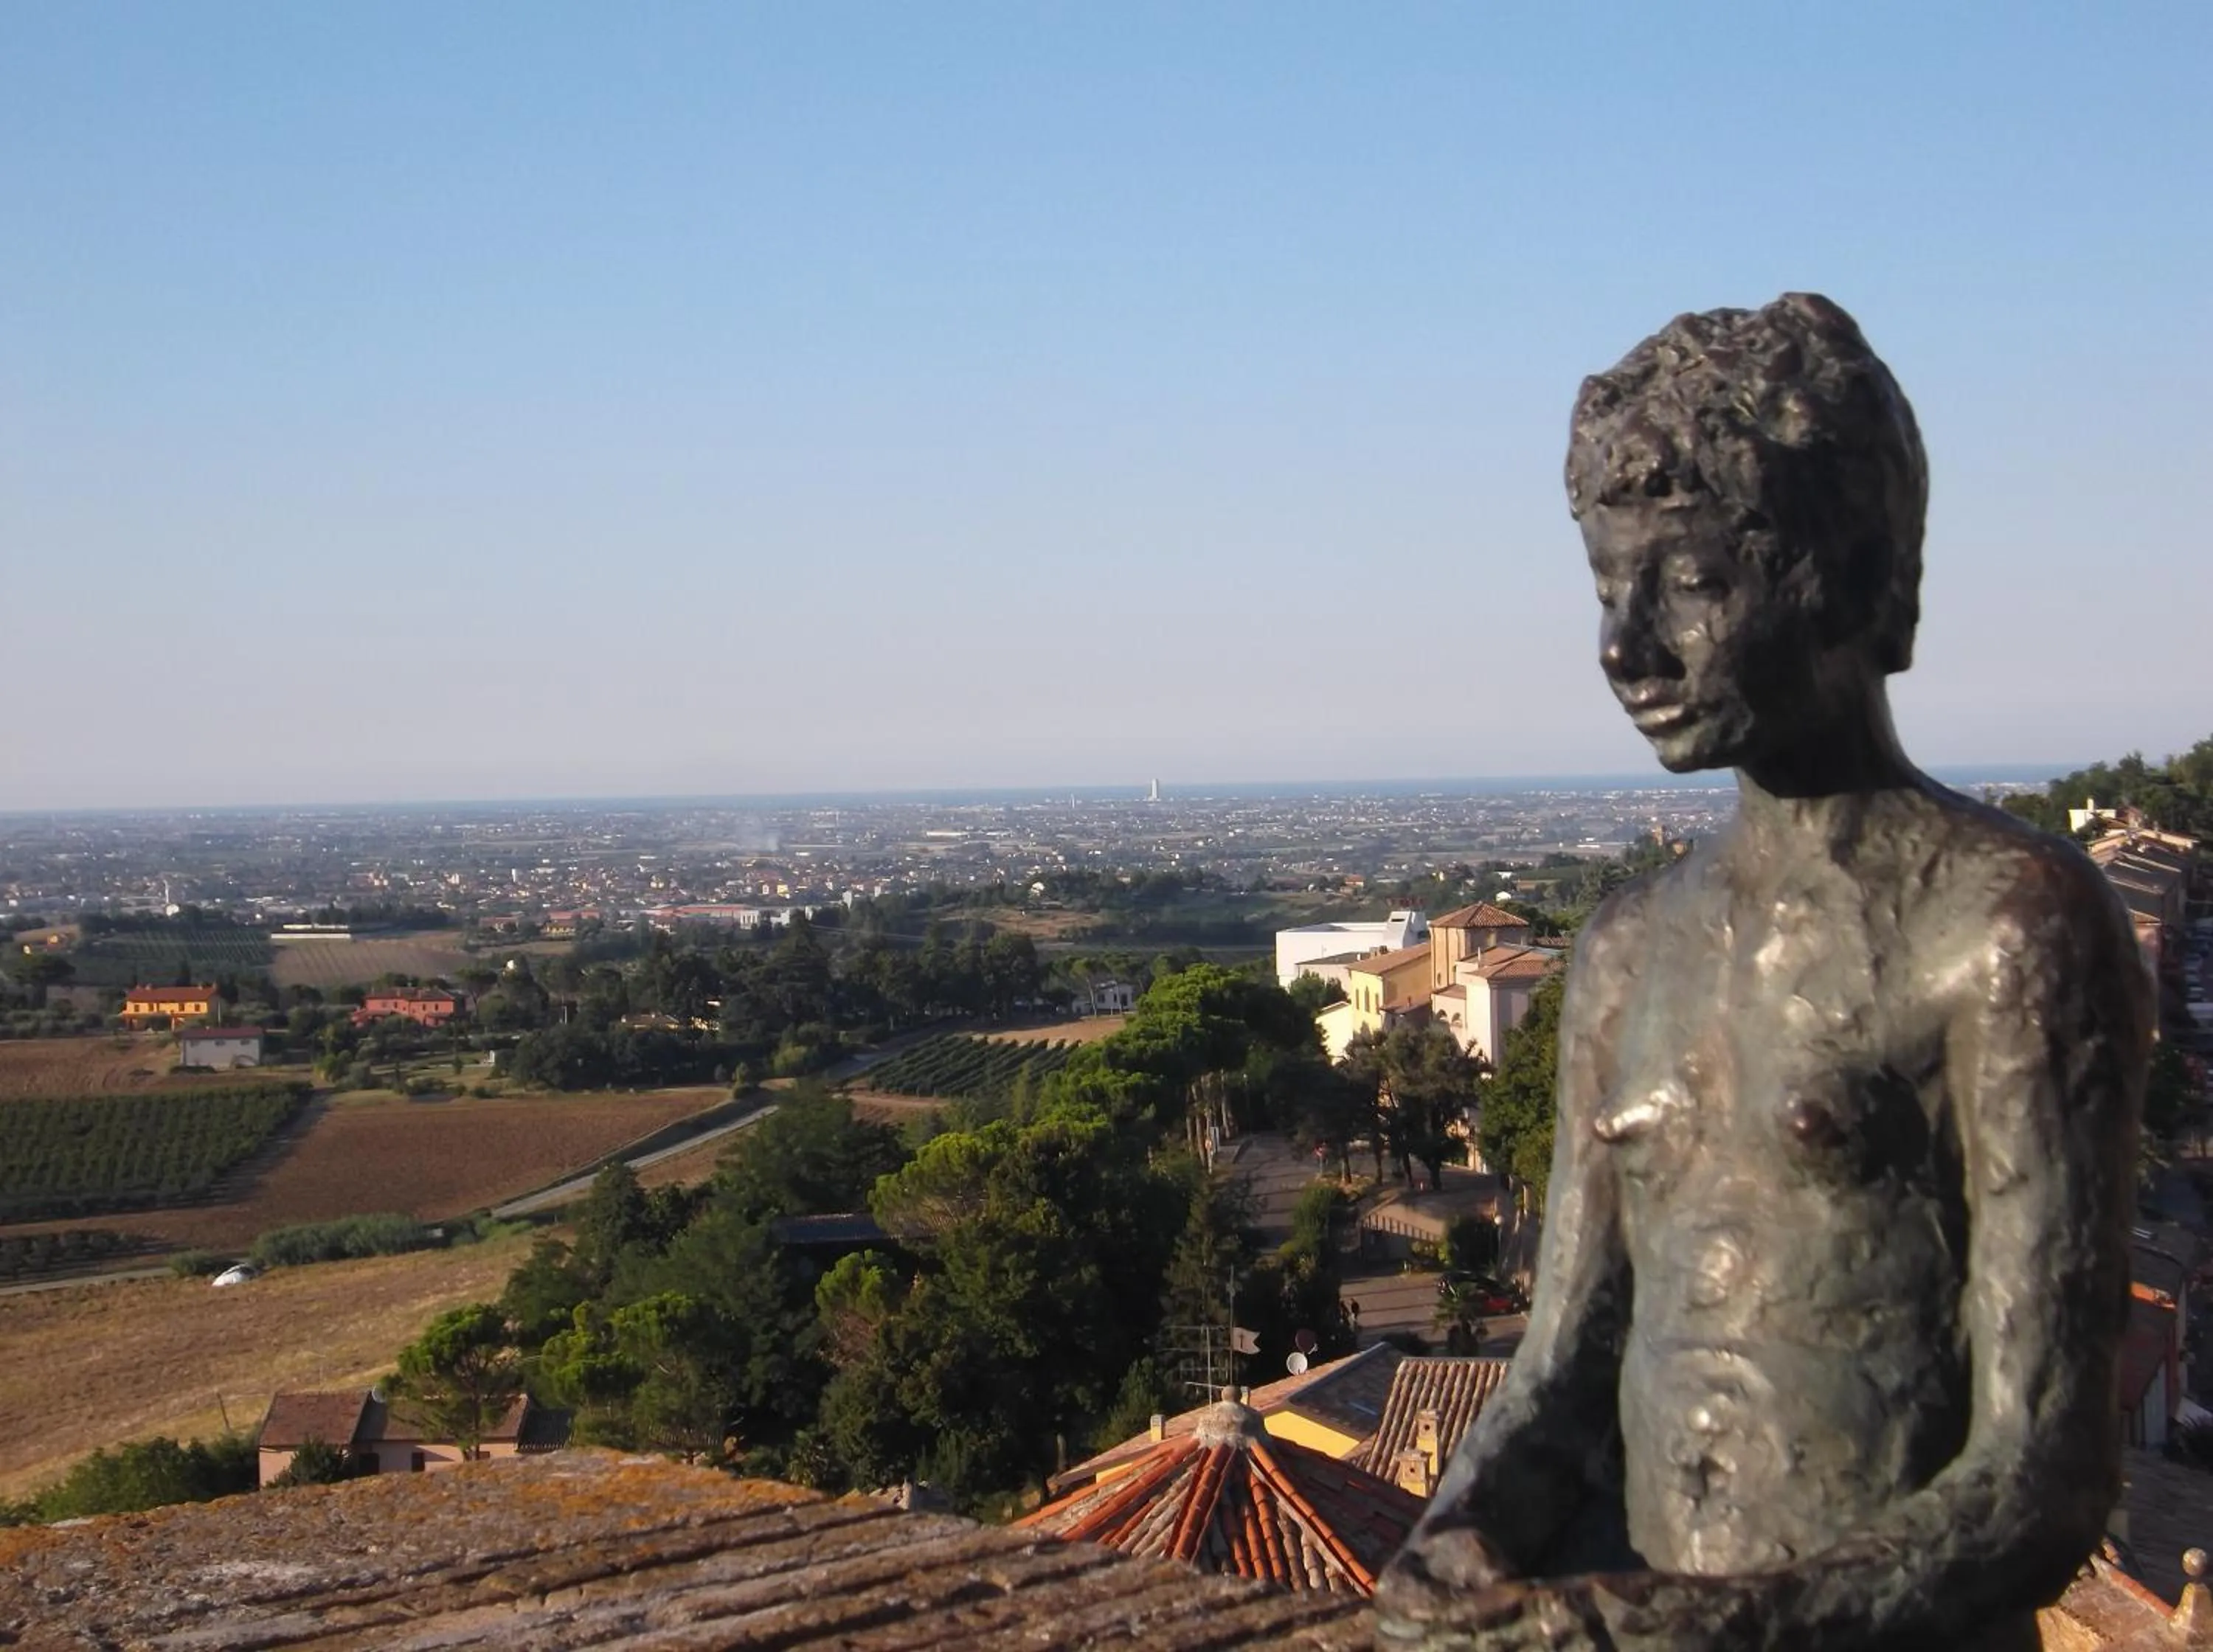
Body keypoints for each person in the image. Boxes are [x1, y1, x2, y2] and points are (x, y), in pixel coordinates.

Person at [1376, 294, 2151, 1651]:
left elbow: (2041, 1476)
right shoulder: (1623, 955)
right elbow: (1561, 1366)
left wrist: (1699, 1630)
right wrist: (1458, 1536)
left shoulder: (2012, 930)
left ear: (1848, 577)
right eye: (1608, 588)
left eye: (1685, 582)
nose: (1622, 648)